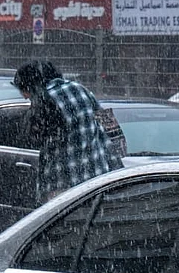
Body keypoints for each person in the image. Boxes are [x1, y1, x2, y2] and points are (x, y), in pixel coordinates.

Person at [13, 60, 121, 204]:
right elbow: (109, 128)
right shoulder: (81, 89)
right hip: (96, 179)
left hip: (62, 186)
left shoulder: (43, 102)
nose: (25, 96)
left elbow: (34, 140)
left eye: (23, 90)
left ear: (32, 84)